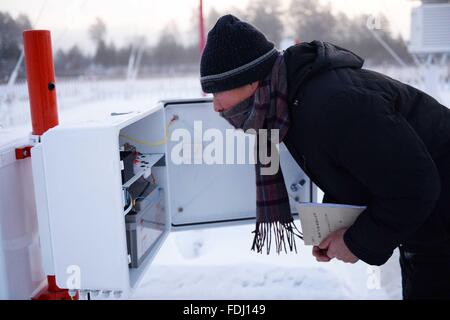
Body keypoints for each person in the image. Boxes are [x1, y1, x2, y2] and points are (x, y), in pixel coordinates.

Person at [199, 14, 450, 300]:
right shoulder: (289, 104)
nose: (216, 107)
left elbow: (415, 187)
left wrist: (356, 243)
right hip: (428, 228)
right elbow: (361, 165)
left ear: (252, 82)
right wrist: (337, 227)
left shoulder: (331, 105)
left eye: (218, 92)